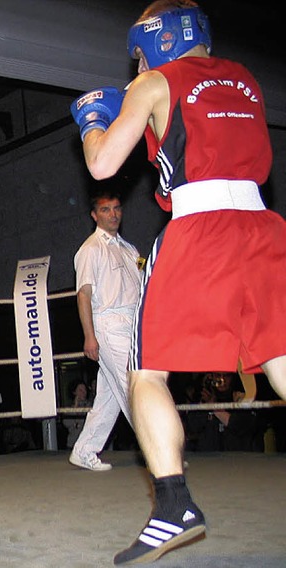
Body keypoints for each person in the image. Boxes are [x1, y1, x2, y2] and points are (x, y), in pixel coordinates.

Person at [70, 1, 286, 563]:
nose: (137, 62)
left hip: (199, 229)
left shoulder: (156, 80)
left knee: (145, 375)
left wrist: (95, 122)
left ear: (155, 40)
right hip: (266, 228)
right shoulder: (246, 81)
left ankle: (174, 504)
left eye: (140, 51)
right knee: (281, 355)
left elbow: (101, 166)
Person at [68, 192, 141, 471]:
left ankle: (84, 450)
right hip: (109, 324)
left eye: (116, 208)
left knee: (110, 393)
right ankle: (160, 453)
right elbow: (83, 295)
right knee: (134, 387)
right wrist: (89, 335)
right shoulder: (89, 249)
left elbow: (142, 285)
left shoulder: (130, 249)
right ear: (94, 215)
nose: (113, 214)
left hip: (132, 323)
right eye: (106, 209)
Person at [184, 372, 260, 452]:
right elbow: (192, 427)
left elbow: (239, 425)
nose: (222, 380)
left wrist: (214, 407)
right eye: (218, 375)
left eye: (227, 376)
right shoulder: (203, 399)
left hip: (236, 458)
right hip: (207, 458)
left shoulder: (242, 399)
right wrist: (205, 403)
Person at [62, 381, 92, 449]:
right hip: (73, 442)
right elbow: (66, 423)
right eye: (80, 390)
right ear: (74, 392)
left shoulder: (90, 405)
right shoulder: (69, 407)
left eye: (84, 390)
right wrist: (75, 406)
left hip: (87, 443)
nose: (83, 392)